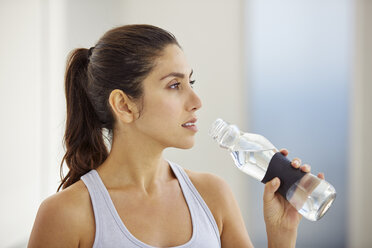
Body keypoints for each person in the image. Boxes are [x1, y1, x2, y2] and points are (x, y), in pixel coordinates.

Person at [28, 24, 324, 248]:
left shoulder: (213, 196)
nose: (196, 100)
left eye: (190, 81)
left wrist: (281, 233)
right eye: (174, 85)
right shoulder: (67, 214)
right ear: (124, 105)